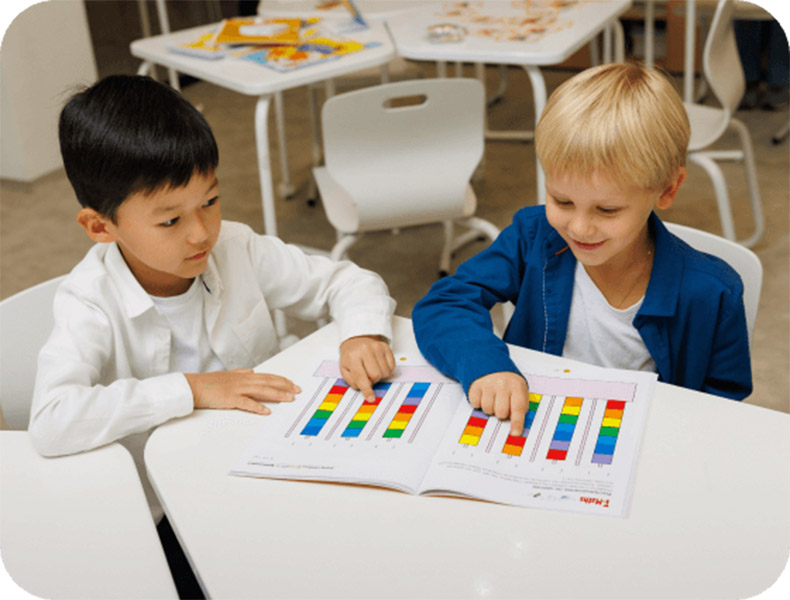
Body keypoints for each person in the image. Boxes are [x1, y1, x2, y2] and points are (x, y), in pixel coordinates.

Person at [30, 75, 397, 516]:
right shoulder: (88, 299)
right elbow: (52, 420)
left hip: (265, 459)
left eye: (211, 201)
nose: (201, 233)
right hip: (167, 503)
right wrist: (194, 389)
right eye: (170, 222)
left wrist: (362, 334)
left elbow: (348, 282)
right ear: (99, 227)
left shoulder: (236, 246)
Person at [412, 63, 752, 437]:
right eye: (562, 201)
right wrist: (487, 364)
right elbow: (445, 303)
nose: (578, 228)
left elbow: (724, 407)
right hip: (532, 430)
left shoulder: (714, 291)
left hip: (639, 443)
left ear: (668, 190)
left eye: (607, 210)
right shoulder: (534, 235)